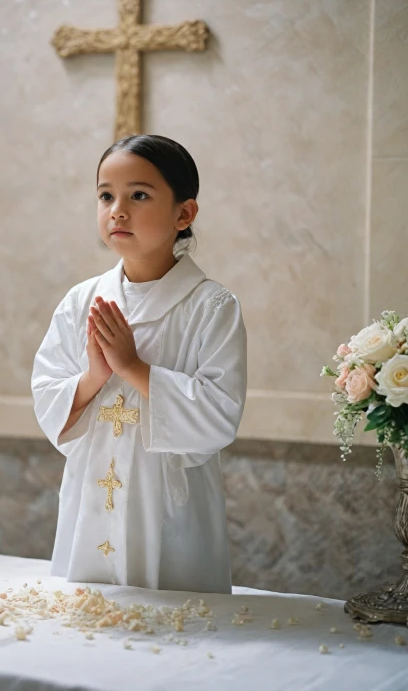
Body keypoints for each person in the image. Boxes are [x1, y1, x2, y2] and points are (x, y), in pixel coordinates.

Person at [31, 134, 247, 594]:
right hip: (92, 489)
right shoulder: (81, 301)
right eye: (106, 195)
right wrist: (94, 377)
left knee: (170, 631)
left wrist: (134, 368)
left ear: (184, 214)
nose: (118, 210)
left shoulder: (211, 306)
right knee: (88, 624)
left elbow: (219, 414)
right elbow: (49, 394)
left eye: (139, 195)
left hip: (168, 501)